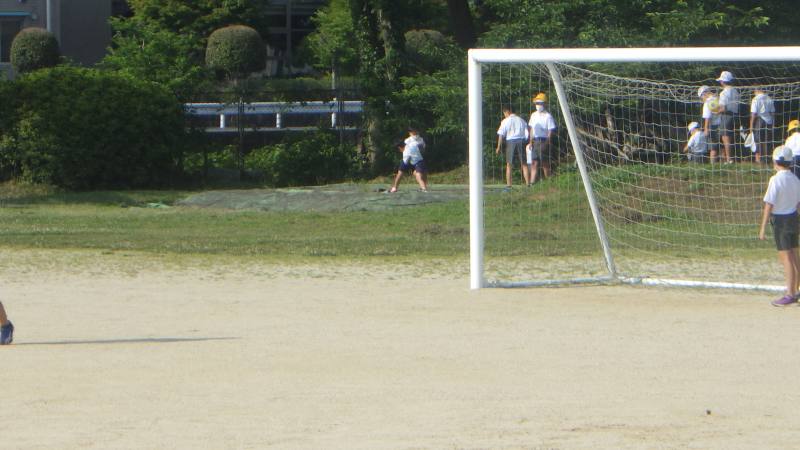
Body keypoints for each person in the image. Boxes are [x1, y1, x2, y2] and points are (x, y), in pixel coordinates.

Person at [759, 145, 800, 306]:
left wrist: (762, 227)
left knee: (786, 258)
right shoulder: (795, 179)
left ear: (775, 162)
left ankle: (790, 294)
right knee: (795, 255)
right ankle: (796, 290)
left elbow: (769, 204)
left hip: (781, 221)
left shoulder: (775, 179)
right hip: (793, 218)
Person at [496, 105, 530, 189]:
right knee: (524, 163)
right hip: (521, 141)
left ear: (508, 111)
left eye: (504, 113)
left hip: (510, 141)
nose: (504, 115)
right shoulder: (521, 120)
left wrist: (498, 147)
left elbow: (501, 134)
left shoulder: (505, 121)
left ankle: (509, 185)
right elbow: (527, 133)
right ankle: (528, 184)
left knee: (509, 164)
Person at [528, 93, 557, 183]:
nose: (538, 105)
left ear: (544, 104)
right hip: (535, 141)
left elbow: (550, 130)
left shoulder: (548, 116)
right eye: (537, 103)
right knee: (534, 162)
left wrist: (547, 142)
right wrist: (530, 141)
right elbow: (531, 129)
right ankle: (532, 183)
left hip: (544, 140)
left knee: (545, 164)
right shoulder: (533, 115)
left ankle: (549, 182)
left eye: (540, 103)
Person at [716, 70, 740, 164]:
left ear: (723, 81)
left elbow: (723, 107)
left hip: (726, 116)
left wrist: (716, 111)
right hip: (734, 115)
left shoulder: (724, 93)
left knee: (726, 138)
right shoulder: (735, 91)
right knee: (732, 138)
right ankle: (732, 158)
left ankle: (729, 159)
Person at [749, 88, 775, 163]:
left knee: (758, 140)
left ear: (757, 90)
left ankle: (758, 159)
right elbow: (773, 113)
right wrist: (773, 123)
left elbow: (753, 114)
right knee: (766, 140)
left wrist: (751, 126)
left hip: (759, 121)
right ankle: (766, 158)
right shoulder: (769, 98)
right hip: (769, 121)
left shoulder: (755, 99)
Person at [698, 85, 722, 163]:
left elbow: (707, 117)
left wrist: (706, 128)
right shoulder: (719, 99)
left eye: (701, 97)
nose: (702, 99)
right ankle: (726, 163)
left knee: (713, 148)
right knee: (723, 147)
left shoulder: (707, 102)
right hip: (722, 124)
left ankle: (713, 165)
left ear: (704, 94)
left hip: (713, 126)